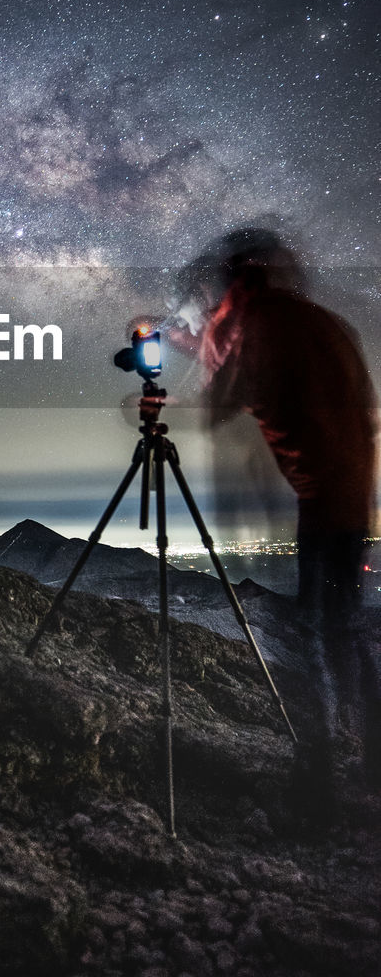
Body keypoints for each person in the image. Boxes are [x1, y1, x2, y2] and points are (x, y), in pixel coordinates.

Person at [177, 228, 379, 807]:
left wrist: (203, 344)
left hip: (321, 505)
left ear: (236, 282)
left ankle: (315, 782)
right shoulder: (321, 324)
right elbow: (262, 378)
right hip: (353, 499)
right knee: (344, 630)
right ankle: (374, 767)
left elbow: (220, 405)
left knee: (303, 635)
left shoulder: (249, 326)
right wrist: (202, 344)